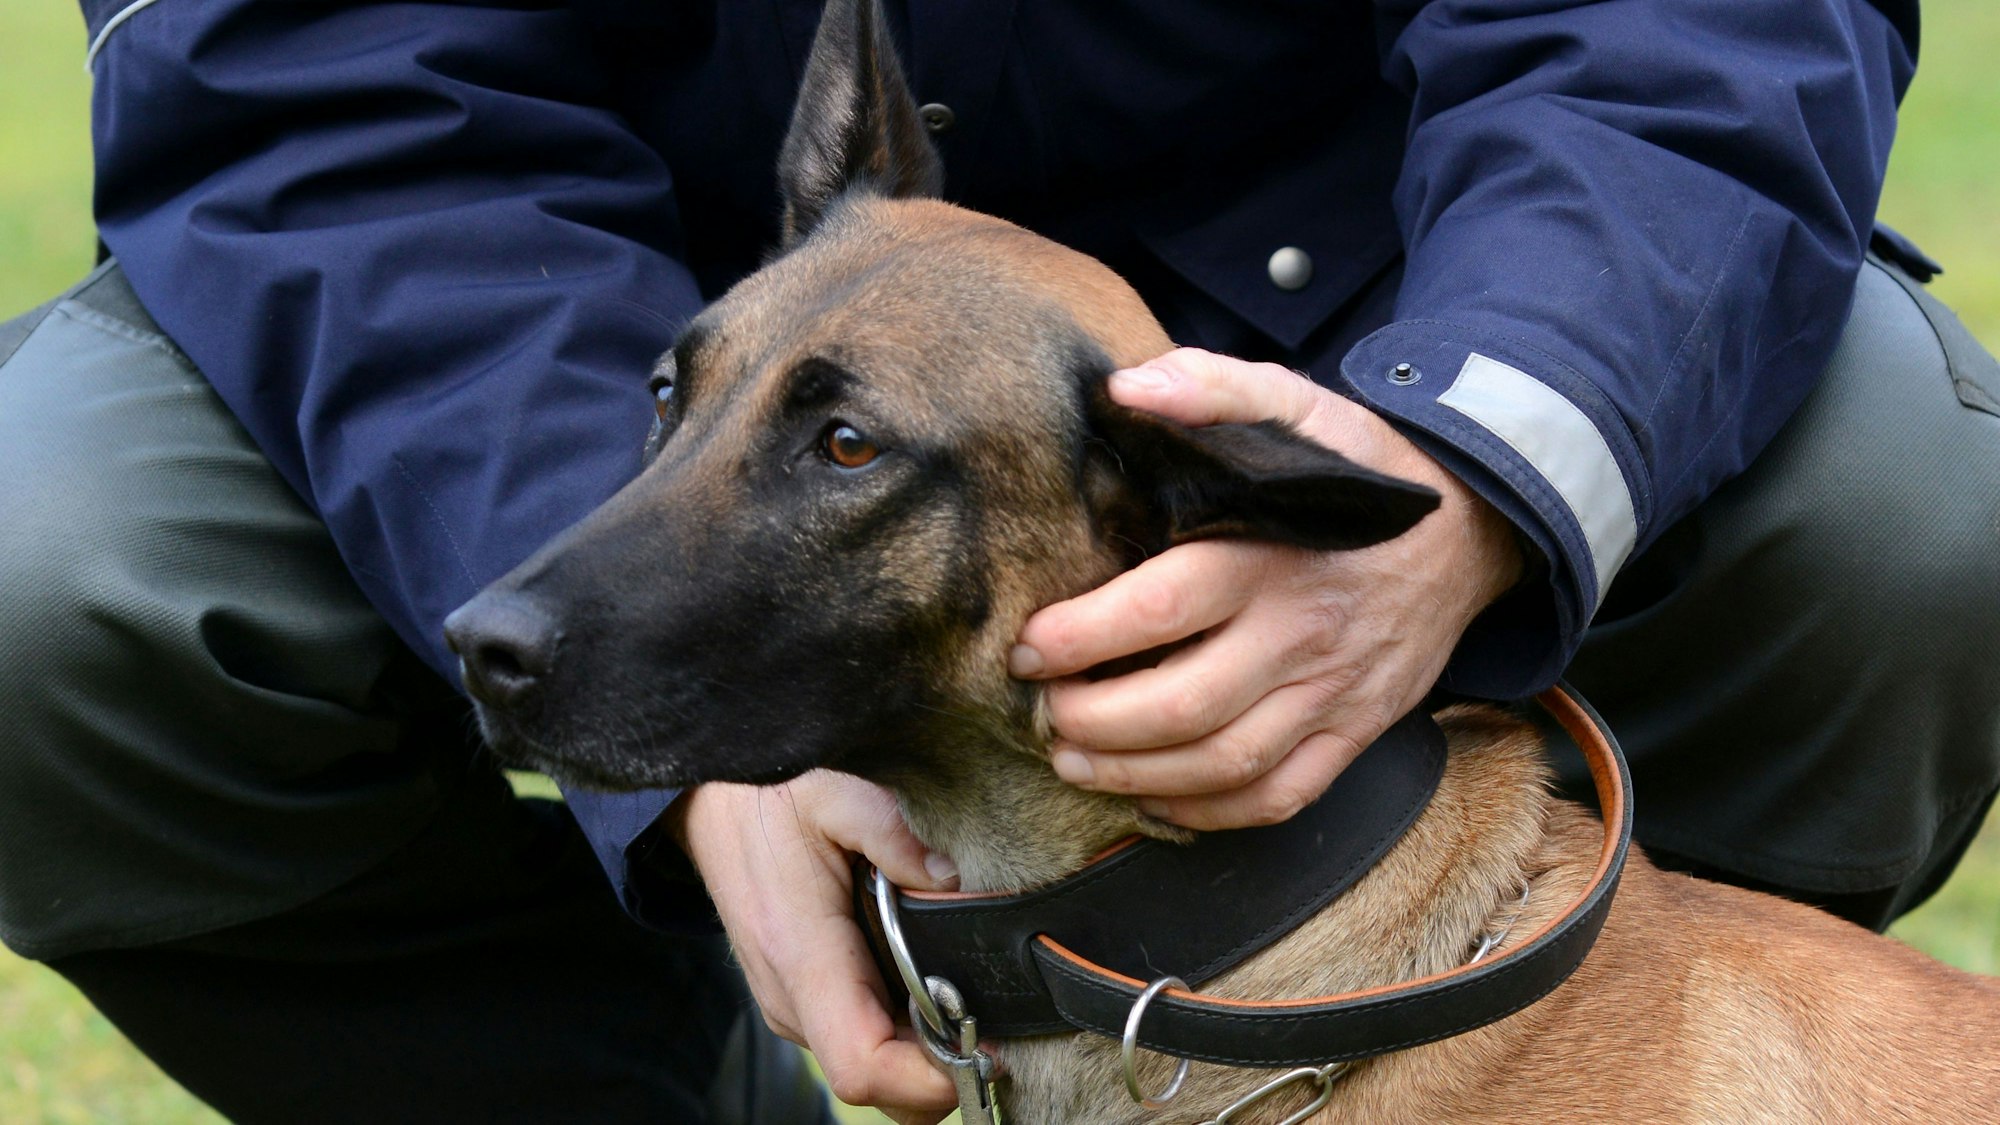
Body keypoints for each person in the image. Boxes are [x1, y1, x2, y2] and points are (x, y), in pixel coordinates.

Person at [2, 0, 1994, 1122]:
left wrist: (1485, 455)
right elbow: (309, 97)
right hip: (611, 318)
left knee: (1908, 494)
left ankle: (1539, 1047)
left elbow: (1693, 24)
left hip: (1383, 294)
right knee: (43, 569)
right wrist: (671, 681)